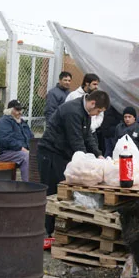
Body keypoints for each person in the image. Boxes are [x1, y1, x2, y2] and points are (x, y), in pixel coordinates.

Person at [38, 90, 110, 248]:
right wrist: (85, 161)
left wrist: (98, 155)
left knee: (62, 190)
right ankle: (45, 231)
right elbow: (76, 140)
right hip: (51, 153)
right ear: (92, 103)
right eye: (98, 111)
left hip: (63, 153)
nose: (97, 114)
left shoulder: (85, 112)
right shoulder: (73, 111)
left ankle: (59, 227)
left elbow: (88, 136)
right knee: (52, 191)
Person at [0, 100, 34, 182]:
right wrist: (21, 148)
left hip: (20, 151)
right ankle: (28, 186)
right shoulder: (4, 122)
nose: (20, 112)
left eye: (21, 110)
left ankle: (38, 183)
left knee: (39, 155)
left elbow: (31, 137)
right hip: (5, 152)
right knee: (26, 157)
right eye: (17, 110)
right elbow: (6, 139)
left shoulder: (22, 122)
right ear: (9, 110)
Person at [66, 73, 104, 140]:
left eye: (97, 84)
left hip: (91, 134)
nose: (96, 87)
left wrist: (92, 126)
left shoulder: (98, 97)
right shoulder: (73, 95)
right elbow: (66, 113)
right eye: (94, 84)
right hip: (76, 133)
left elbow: (100, 115)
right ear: (87, 83)